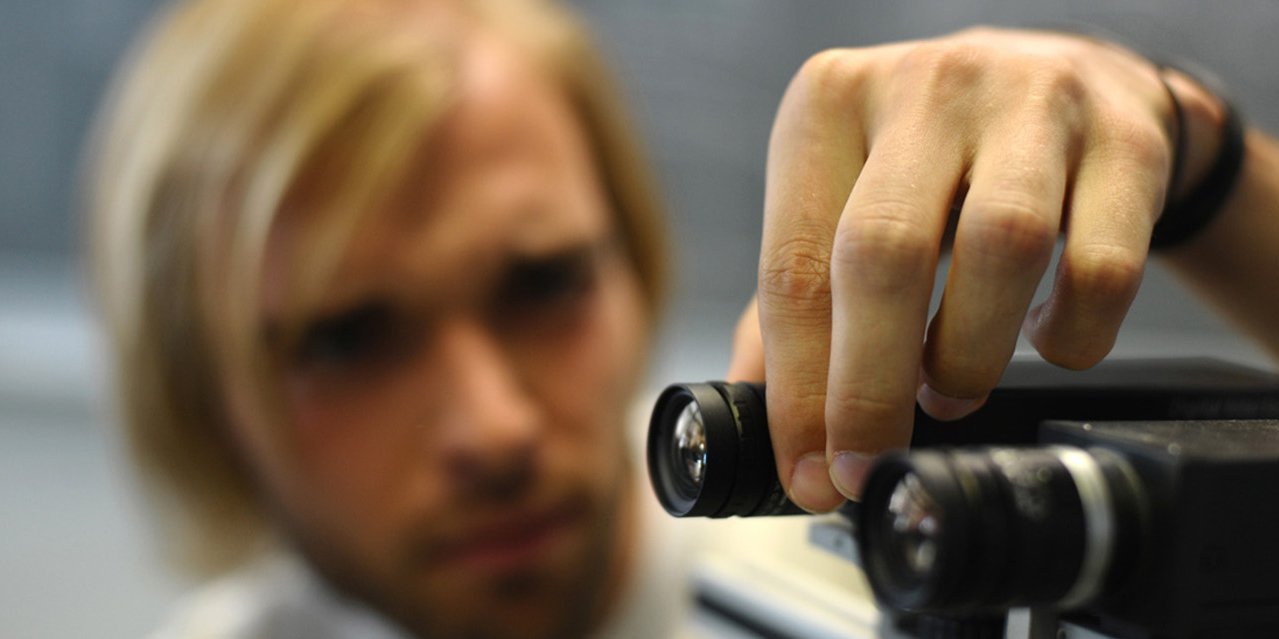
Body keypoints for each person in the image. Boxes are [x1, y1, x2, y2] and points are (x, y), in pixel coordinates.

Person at [83, 0, 1279, 637]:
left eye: (542, 285)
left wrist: (1207, 176)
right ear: (200, 397)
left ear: (629, 263)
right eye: (348, 341)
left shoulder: (818, 587)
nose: (493, 428)